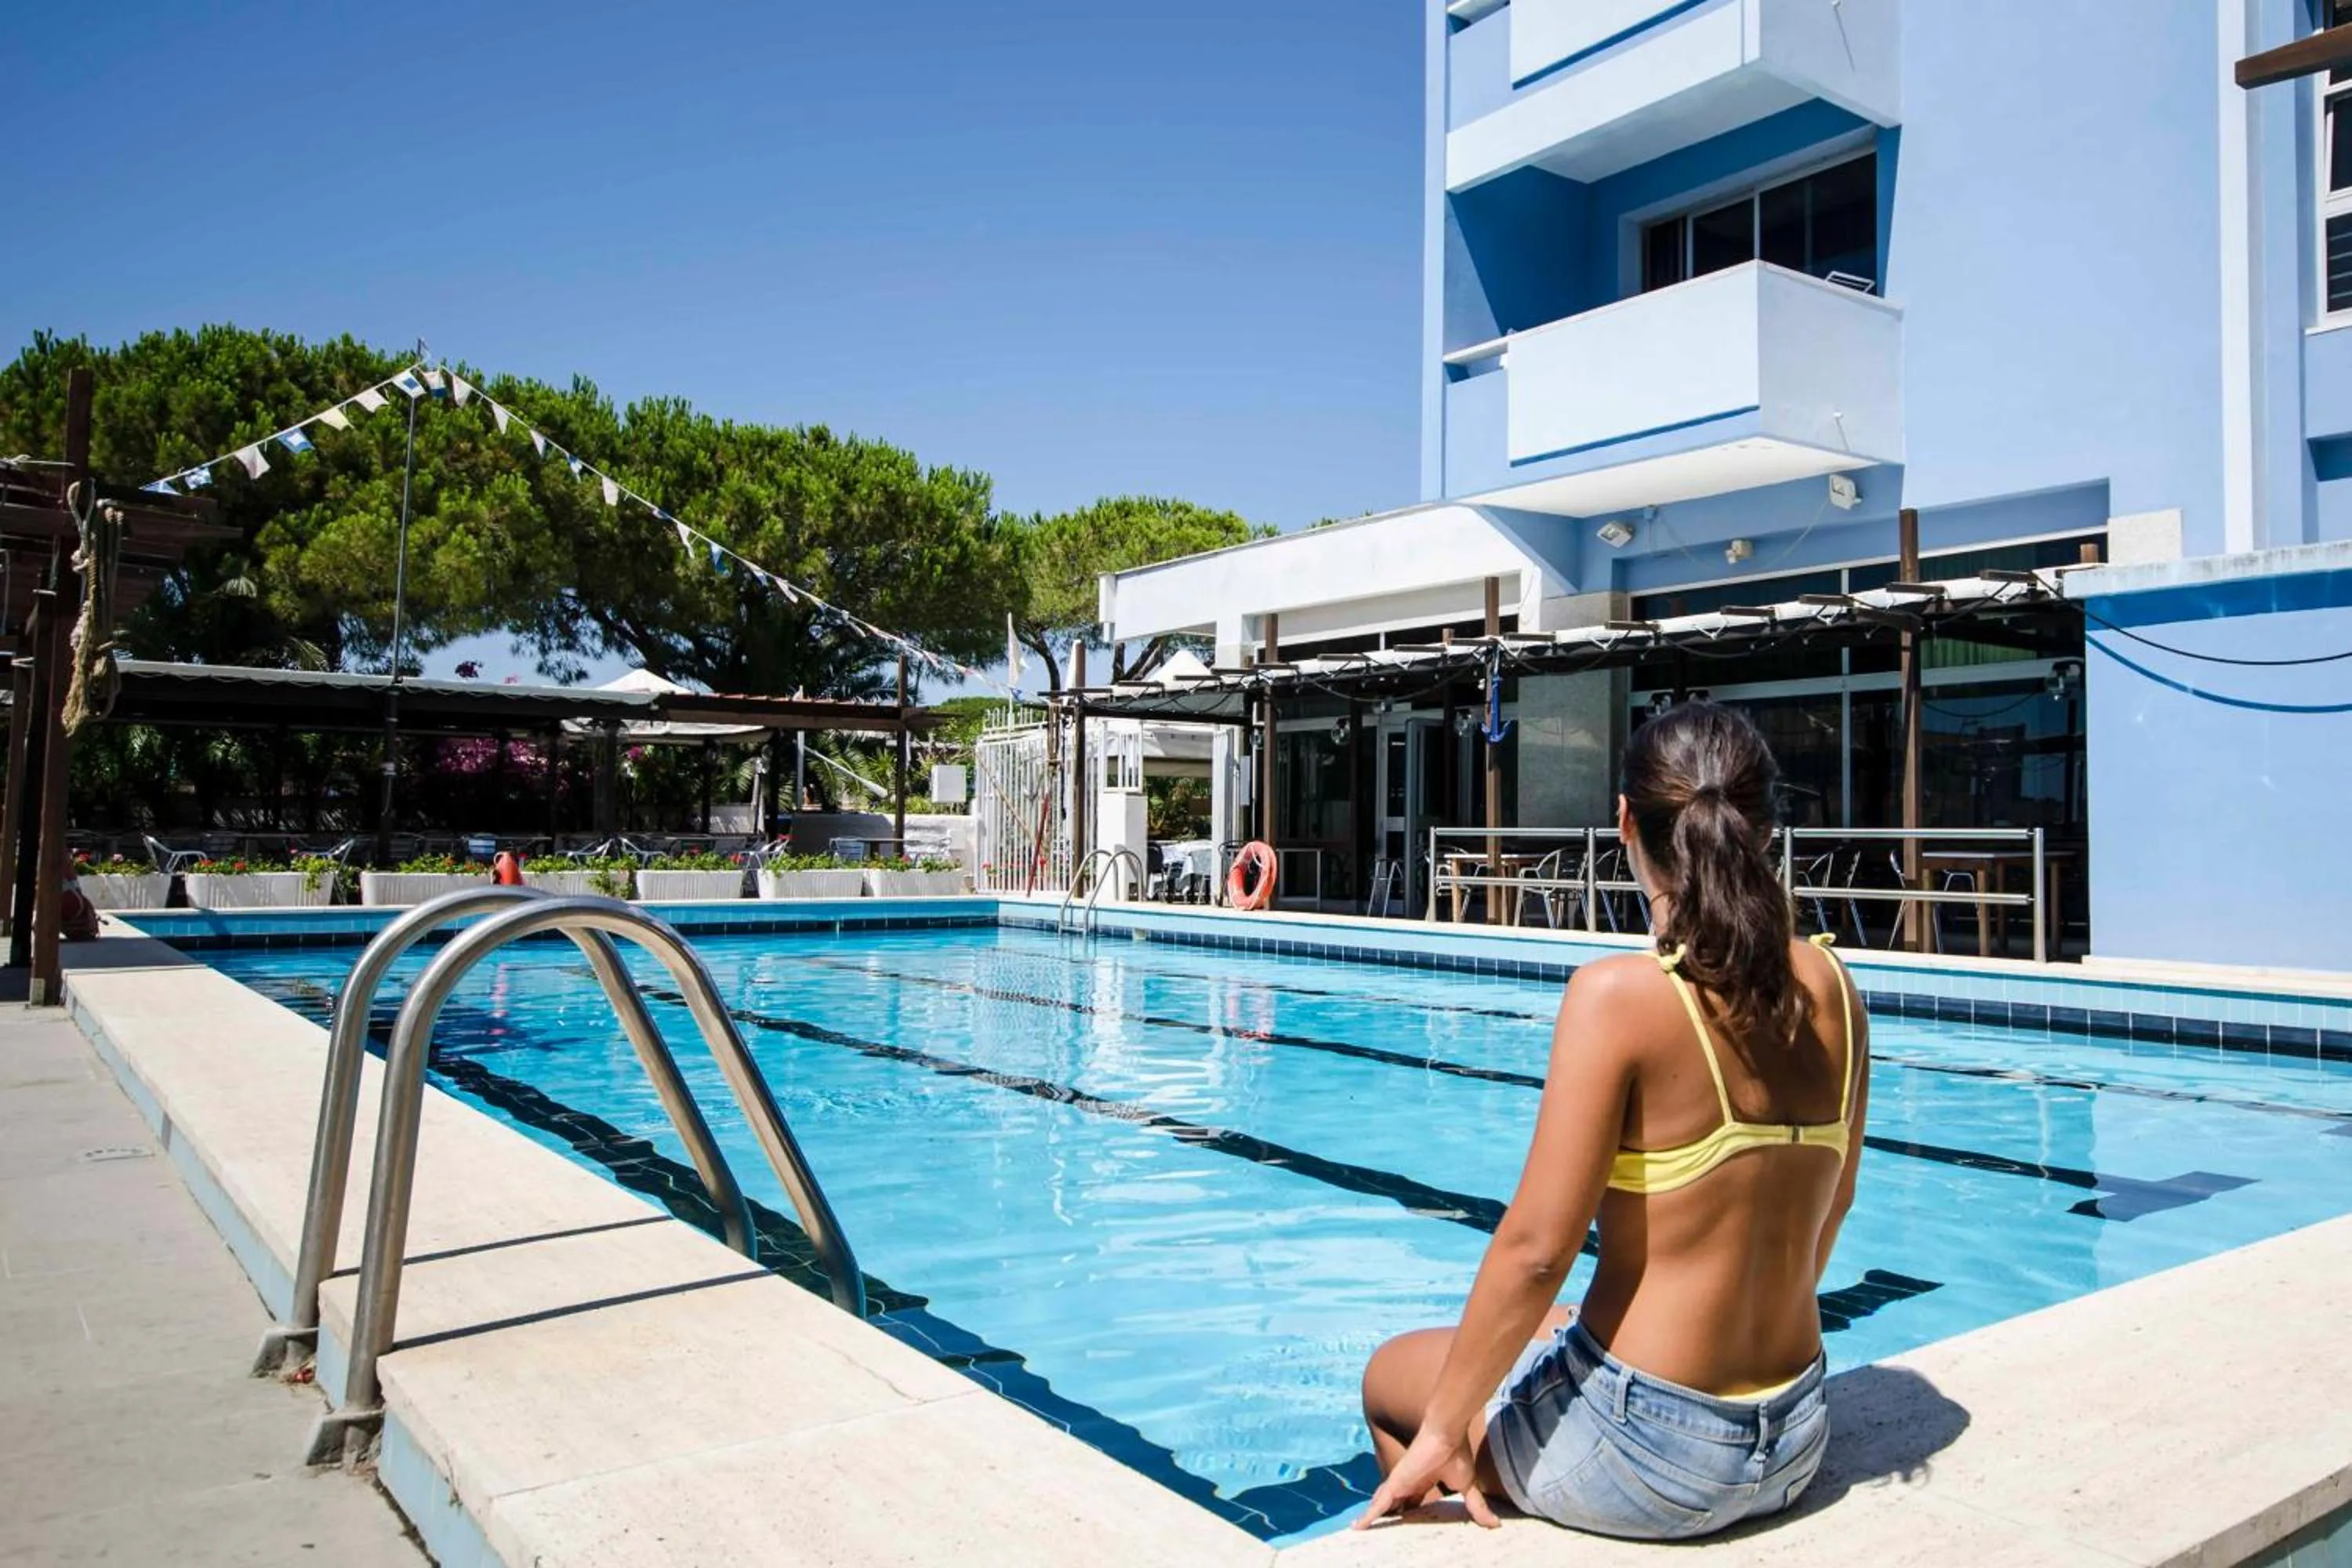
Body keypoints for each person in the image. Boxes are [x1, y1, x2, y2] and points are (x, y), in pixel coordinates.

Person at [1356, 702, 1869, 1539]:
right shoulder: (1836, 989)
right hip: (1795, 1433)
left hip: (1652, 1454)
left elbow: (1537, 1249)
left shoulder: (1618, 998)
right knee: (1558, 1322)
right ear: (1766, 829)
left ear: (1625, 820)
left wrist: (1446, 1428)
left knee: (1391, 1378)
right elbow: (1833, 1207)